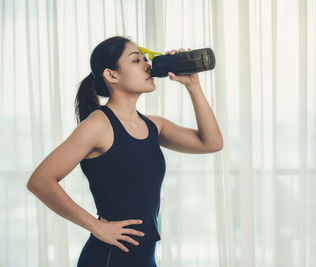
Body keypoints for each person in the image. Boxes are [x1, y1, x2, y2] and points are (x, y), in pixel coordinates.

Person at [26, 35, 223, 266]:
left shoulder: (154, 126)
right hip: (110, 258)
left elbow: (211, 143)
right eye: (136, 60)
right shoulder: (98, 125)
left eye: (144, 59)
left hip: (145, 257)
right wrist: (96, 226)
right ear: (112, 75)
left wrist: (193, 86)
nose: (148, 65)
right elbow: (40, 180)